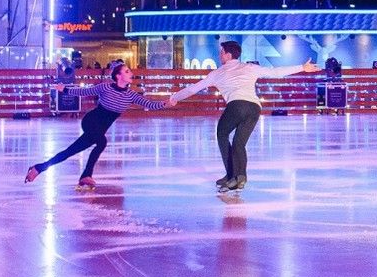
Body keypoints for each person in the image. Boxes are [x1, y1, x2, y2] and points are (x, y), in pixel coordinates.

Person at [165, 41, 313, 191]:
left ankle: (231, 175)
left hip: (237, 105)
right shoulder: (249, 67)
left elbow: (192, 89)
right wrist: (302, 67)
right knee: (238, 143)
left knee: (222, 134)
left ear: (228, 55)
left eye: (221, 52)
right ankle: (240, 177)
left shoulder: (217, 73)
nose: (219, 55)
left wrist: (173, 98)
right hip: (255, 108)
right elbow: (275, 72)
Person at [25, 60, 167, 189]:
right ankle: (86, 175)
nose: (131, 73)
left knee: (70, 152)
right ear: (118, 76)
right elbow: (85, 91)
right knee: (102, 142)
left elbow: (149, 104)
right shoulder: (105, 87)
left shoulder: (131, 95)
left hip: (100, 129)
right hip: (90, 122)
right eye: (127, 71)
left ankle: (39, 168)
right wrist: (65, 89)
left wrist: (165, 103)